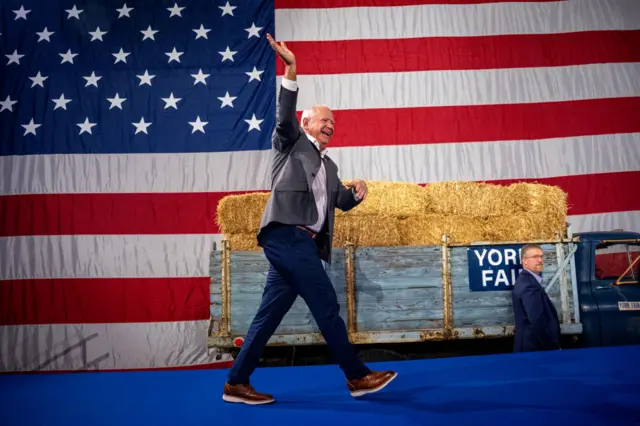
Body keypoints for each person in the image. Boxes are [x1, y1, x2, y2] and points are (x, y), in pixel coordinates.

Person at [222, 34, 398, 405]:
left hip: (303, 244)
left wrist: (355, 196)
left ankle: (236, 382)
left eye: (334, 121)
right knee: (326, 304)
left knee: (267, 317)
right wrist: (291, 68)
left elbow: (337, 203)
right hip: (286, 235)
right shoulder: (290, 142)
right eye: (324, 120)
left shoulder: (329, 166)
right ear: (307, 123)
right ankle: (357, 376)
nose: (331, 124)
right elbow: (284, 115)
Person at [511, 244, 561, 352]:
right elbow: (537, 321)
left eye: (541, 256)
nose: (540, 260)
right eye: (535, 257)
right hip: (534, 347)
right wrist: (553, 347)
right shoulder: (529, 285)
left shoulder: (527, 281)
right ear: (524, 260)